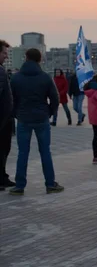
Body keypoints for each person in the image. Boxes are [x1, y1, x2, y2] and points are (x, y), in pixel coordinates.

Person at [9, 48, 64, 195]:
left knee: (22, 153)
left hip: (23, 119)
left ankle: (20, 186)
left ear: (26, 58)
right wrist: (50, 112)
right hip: (41, 119)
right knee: (45, 151)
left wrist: (17, 114)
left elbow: (11, 99)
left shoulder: (16, 78)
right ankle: (50, 184)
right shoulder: (45, 77)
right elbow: (55, 98)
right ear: (40, 59)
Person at [0, 39, 14, 190]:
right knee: (2, 150)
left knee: (4, 150)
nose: (6, 56)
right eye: (4, 53)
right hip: (2, 120)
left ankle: (3, 177)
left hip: (5, 119)